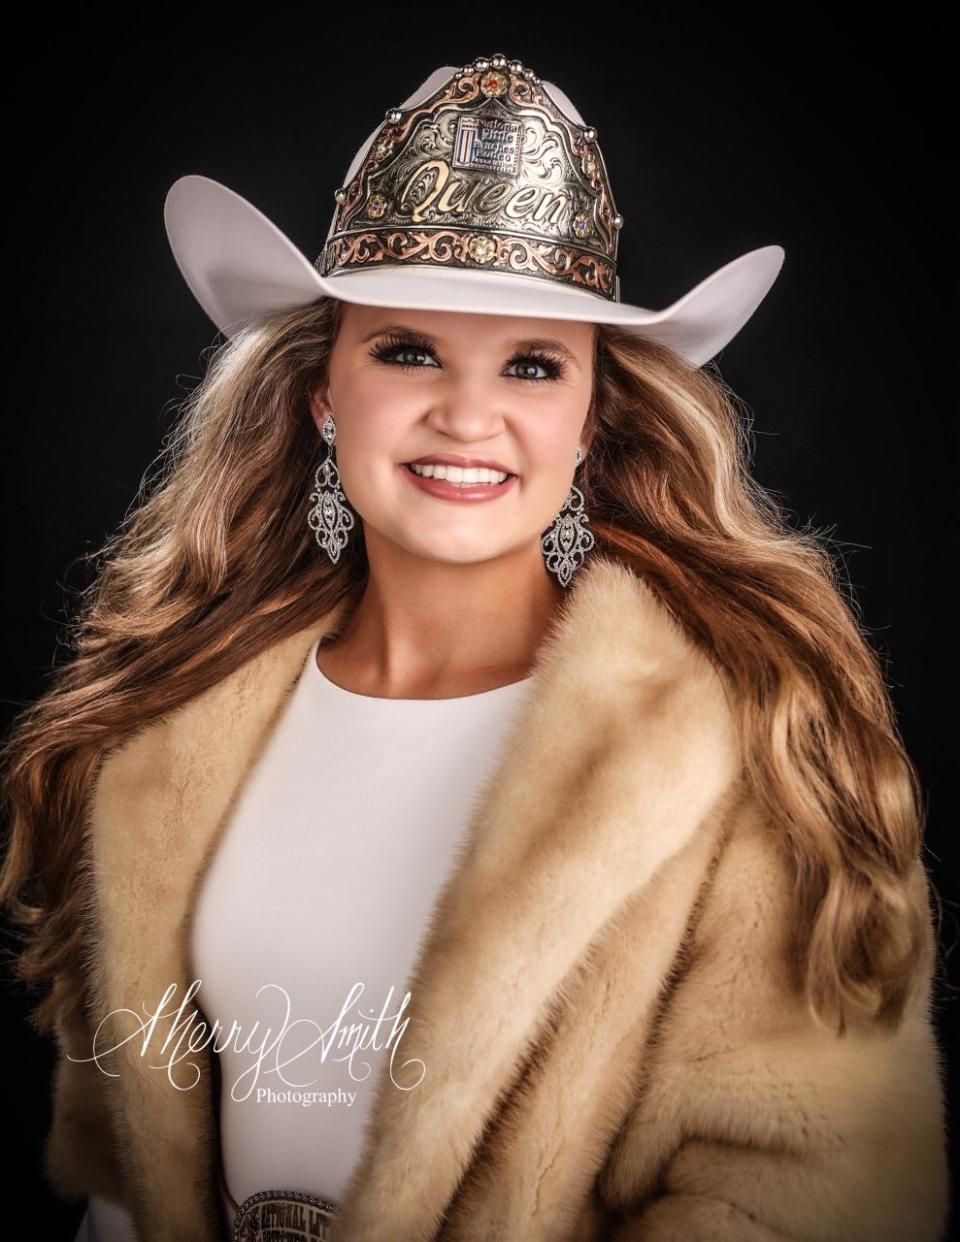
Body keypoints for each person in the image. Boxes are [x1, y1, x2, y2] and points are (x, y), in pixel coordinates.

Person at [0, 51, 949, 1242]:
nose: (466, 414)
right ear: (323, 396)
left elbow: (805, 1196)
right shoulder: (175, 722)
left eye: (533, 365)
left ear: (590, 420)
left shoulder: (735, 740)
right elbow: (126, 1175)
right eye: (408, 350)